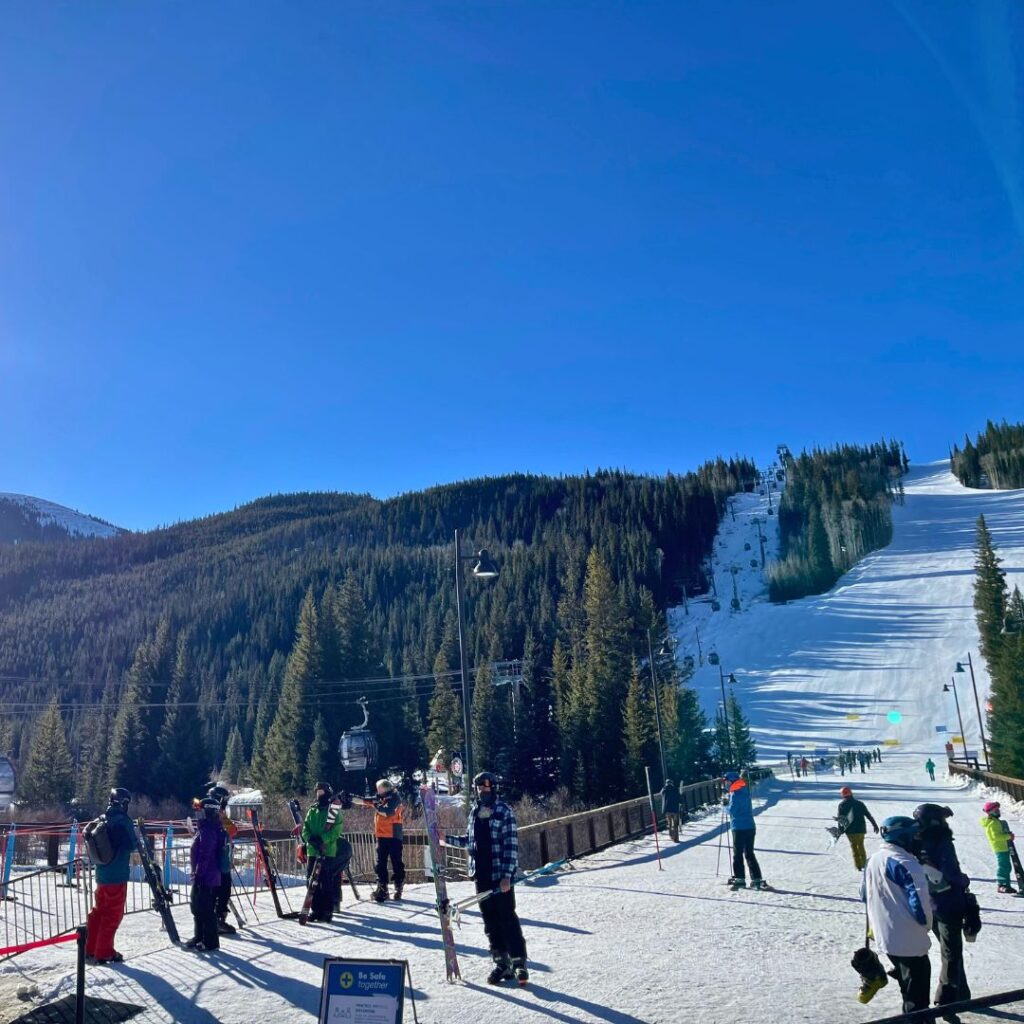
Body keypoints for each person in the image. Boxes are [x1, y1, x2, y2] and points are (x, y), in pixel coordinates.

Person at [863, 816, 933, 1014]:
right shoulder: (906, 863)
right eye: (913, 835)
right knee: (918, 1001)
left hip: (886, 937)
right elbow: (920, 906)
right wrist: (925, 927)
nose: (916, 840)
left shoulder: (874, 859)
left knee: (907, 990)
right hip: (909, 940)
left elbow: (864, 895)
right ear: (903, 837)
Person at [466, 770, 528, 985]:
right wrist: (445, 841)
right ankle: (501, 962)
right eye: (479, 789)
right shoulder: (474, 812)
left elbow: (511, 846)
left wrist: (506, 876)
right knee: (490, 920)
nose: (483, 792)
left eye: (486, 788)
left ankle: (518, 961)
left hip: (499, 873)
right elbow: (471, 842)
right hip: (481, 874)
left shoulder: (504, 811)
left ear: (493, 789)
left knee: (506, 917)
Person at [914, 803, 971, 1018]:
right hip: (948, 903)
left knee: (950, 949)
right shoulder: (942, 841)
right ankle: (946, 1002)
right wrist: (963, 880)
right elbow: (951, 872)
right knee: (952, 953)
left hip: (928, 903)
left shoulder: (916, 842)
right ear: (937, 821)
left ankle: (963, 995)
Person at [85, 787, 136, 965]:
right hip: (117, 874)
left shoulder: (102, 819)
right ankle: (104, 952)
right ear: (123, 803)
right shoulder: (123, 821)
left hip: (102, 874)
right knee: (112, 915)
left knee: (99, 912)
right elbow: (132, 845)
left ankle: (90, 948)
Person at [301, 781, 345, 921]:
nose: (319, 795)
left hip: (327, 851)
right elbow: (305, 828)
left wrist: (323, 840)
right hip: (312, 850)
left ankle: (327, 910)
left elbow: (336, 831)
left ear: (327, 793)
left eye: (322, 793)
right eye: (317, 793)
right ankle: (316, 909)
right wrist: (310, 839)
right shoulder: (312, 810)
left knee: (325, 882)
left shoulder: (333, 811)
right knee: (311, 882)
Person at [187, 797, 225, 952]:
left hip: (207, 876)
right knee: (197, 907)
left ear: (207, 812)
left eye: (200, 811)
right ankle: (199, 936)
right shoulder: (205, 828)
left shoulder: (209, 829)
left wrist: (199, 873)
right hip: (203, 875)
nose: (198, 814)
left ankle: (210, 942)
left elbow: (205, 853)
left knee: (206, 909)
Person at [360, 778, 405, 902]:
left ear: (385, 788)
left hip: (393, 835)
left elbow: (388, 812)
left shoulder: (395, 797)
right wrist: (353, 799)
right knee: (380, 863)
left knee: (396, 862)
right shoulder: (380, 798)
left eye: (379, 789)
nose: (378, 792)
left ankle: (398, 887)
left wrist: (375, 805)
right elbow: (368, 801)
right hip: (381, 835)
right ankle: (382, 888)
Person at [722, 770, 766, 890]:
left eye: (727, 782)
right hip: (750, 826)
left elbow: (733, 811)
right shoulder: (744, 791)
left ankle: (740, 879)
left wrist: (724, 806)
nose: (726, 785)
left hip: (739, 827)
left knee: (738, 854)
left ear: (731, 781)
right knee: (749, 853)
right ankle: (756, 878)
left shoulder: (735, 794)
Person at [206, 783, 238, 935]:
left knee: (220, 890)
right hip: (218, 861)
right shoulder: (216, 816)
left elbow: (232, 831)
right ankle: (217, 920)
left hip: (218, 860)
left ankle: (215, 919)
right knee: (222, 891)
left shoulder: (214, 814)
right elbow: (232, 830)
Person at [836, 786, 879, 870]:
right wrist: (875, 825)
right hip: (860, 829)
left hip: (850, 830)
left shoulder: (842, 805)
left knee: (854, 847)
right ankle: (863, 864)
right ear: (851, 793)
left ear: (843, 795)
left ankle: (858, 865)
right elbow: (868, 815)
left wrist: (840, 830)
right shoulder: (859, 803)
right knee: (861, 845)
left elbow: (840, 819)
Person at [980, 801, 1017, 894]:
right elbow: (995, 837)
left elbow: (1000, 833)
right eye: (996, 810)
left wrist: (1008, 834)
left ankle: (1006, 885)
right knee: (1004, 866)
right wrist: (1008, 836)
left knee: (1007, 866)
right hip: (1000, 848)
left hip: (1004, 847)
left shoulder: (997, 822)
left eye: (998, 810)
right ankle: (1001, 885)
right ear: (990, 812)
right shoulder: (992, 823)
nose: (998, 812)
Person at [660, 778, 680, 842]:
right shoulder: (675, 789)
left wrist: (665, 786)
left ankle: (671, 835)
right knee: (675, 824)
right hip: (675, 809)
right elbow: (679, 798)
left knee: (669, 823)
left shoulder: (664, 789)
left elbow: (661, 793)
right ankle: (676, 838)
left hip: (667, 810)